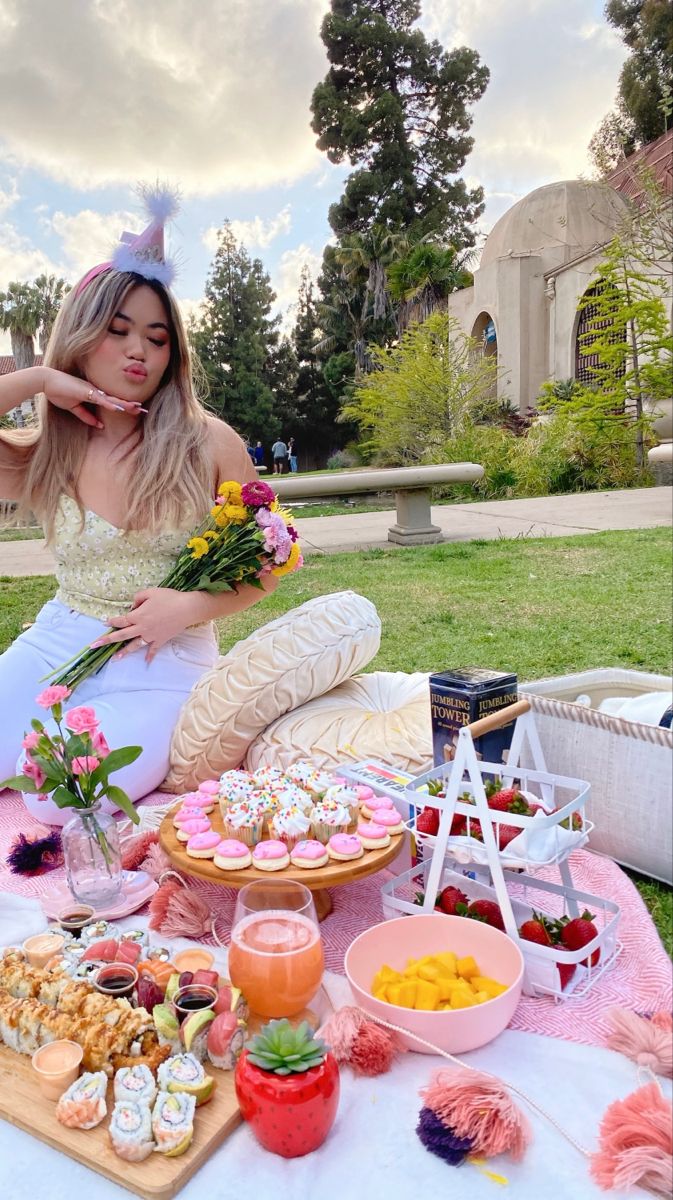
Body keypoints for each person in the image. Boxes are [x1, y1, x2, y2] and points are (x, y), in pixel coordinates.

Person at [0, 187, 275, 824]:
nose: (138, 352)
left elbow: (273, 555)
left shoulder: (208, 442)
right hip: (58, 641)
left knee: (56, 795)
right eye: (117, 331)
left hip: (164, 656)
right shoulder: (50, 451)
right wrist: (41, 379)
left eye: (156, 338)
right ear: (82, 337)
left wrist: (188, 607)